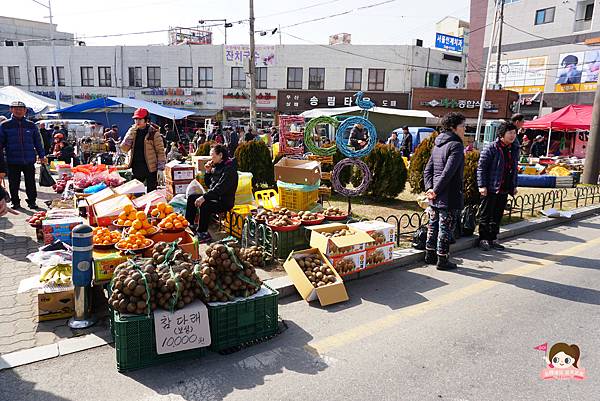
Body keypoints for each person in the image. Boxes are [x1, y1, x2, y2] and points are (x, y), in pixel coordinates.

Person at [423, 112, 465, 270]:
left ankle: (430, 254)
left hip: (435, 194)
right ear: (454, 128)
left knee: (433, 225)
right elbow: (449, 172)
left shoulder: (437, 144)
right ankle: (442, 259)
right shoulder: (456, 145)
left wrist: (430, 189)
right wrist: (435, 190)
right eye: (462, 126)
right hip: (448, 195)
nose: (464, 129)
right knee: (445, 227)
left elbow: (428, 170)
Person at [476, 122, 519, 251]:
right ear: (501, 134)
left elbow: (514, 168)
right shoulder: (491, 148)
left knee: (497, 214)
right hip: (490, 186)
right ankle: (483, 239)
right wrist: (482, 185)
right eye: (510, 133)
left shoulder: (514, 148)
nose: (513, 136)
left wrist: (514, 185)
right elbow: (481, 168)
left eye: (514, 133)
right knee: (486, 214)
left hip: (504, 187)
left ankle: (493, 238)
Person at [185, 144, 238, 243]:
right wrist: (208, 172)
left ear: (220, 155)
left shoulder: (229, 169)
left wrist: (204, 197)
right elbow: (210, 185)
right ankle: (190, 224)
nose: (211, 158)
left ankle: (203, 233)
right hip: (215, 197)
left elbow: (220, 188)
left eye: (212, 155)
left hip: (224, 201)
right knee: (192, 197)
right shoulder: (218, 167)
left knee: (205, 204)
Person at [0, 101, 47, 209]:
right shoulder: (5, 125)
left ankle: (32, 201)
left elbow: (38, 142)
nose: (19, 110)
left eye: (21, 109)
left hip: (29, 160)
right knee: (13, 183)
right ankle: (15, 202)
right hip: (12, 160)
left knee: (30, 183)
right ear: (11, 110)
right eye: (16, 108)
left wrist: (42, 155)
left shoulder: (31, 125)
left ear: (25, 110)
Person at [120, 108, 166, 192]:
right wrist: (130, 135)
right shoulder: (132, 131)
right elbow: (124, 149)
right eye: (136, 119)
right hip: (136, 167)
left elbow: (160, 152)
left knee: (151, 193)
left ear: (146, 120)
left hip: (151, 168)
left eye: (140, 119)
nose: (137, 121)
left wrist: (160, 169)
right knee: (136, 193)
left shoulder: (154, 133)